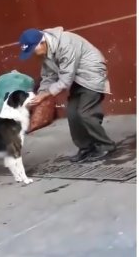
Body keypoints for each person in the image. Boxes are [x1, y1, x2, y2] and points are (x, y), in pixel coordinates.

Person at [19, 27, 116, 162]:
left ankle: (106, 145)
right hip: (76, 78)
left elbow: (65, 80)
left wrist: (45, 95)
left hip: (92, 74)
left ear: (41, 43)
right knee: (72, 112)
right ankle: (86, 148)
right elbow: (48, 76)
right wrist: (40, 95)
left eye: (32, 50)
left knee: (85, 113)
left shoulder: (65, 44)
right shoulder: (44, 53)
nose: (32, 55)